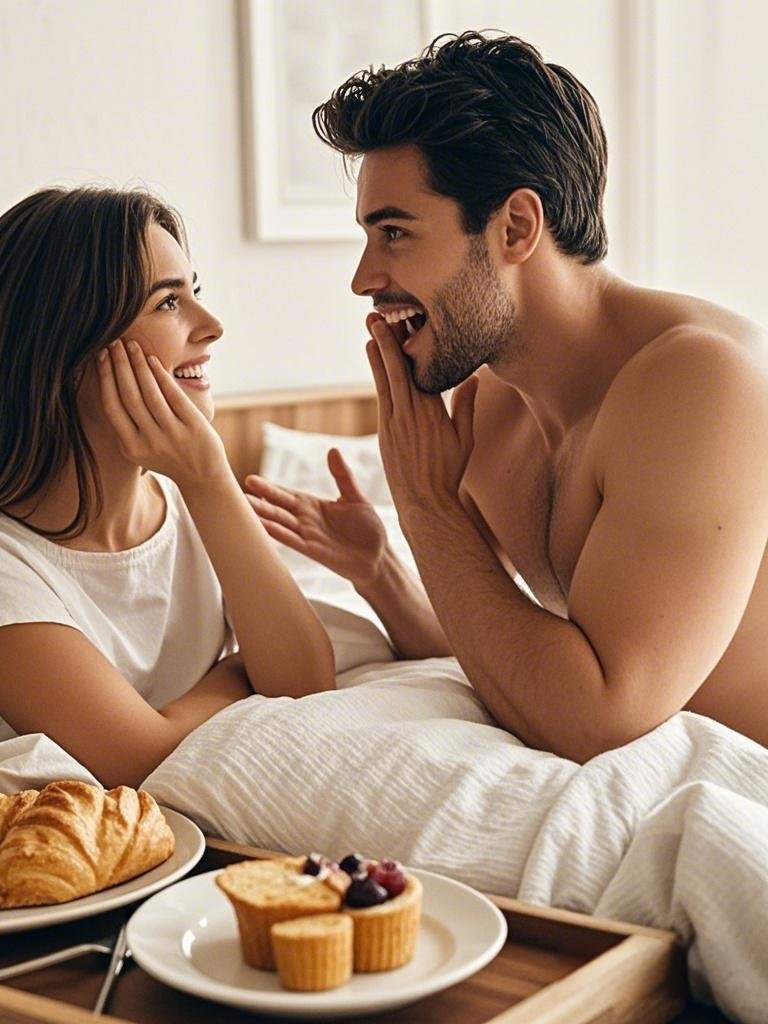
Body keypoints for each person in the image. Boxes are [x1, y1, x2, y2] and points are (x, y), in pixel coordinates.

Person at [246, 32, 768, 760]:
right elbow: (498, 645)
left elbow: (597, 715)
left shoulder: (700, 384)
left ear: (516, 227)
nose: (363, 279)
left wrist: (428, 507)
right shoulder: (491, 406)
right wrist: (384, 569)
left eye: (393, 232)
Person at [0, 186, 335, 788]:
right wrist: (239, 676)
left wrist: (211, 482)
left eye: (196, 293)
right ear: (63, 347)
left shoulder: (191, 504)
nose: (211, 327)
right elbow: (142, 762)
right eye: (167, 303)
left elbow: (307, 684)